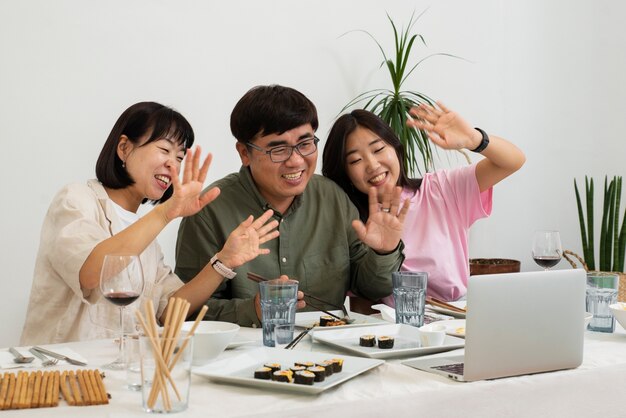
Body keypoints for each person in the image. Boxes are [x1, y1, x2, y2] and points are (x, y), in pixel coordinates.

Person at [21, 101, 280, 345]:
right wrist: (166, 213)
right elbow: (90, 275)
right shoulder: (76, 200)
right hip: (59, 372)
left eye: (180, 157)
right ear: (124, 148)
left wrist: (224, 261)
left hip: (120, 373)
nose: (173, 164)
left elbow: (170, 311)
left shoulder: (147, 238)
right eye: (165, 150)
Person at [175, 85, 409, 326]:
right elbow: (180, 310)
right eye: (278, 149)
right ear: (245, 153)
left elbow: (370, 288)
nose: (296, 161)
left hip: (332, 350)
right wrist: (252, 310)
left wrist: (384, 252)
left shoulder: (332, 197)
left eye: (305, 144)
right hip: (247, 355)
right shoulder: (209, 210)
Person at [322, 104, 525, 302]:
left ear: (396, 148)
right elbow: (361, 301)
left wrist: (473, 138)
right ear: (345, 173)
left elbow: (513, 161)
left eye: (378, 149)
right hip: (392, 329)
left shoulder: (442, 189)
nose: (373, 165)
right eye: (356, 160)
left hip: (456, 325)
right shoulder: (349, 220)